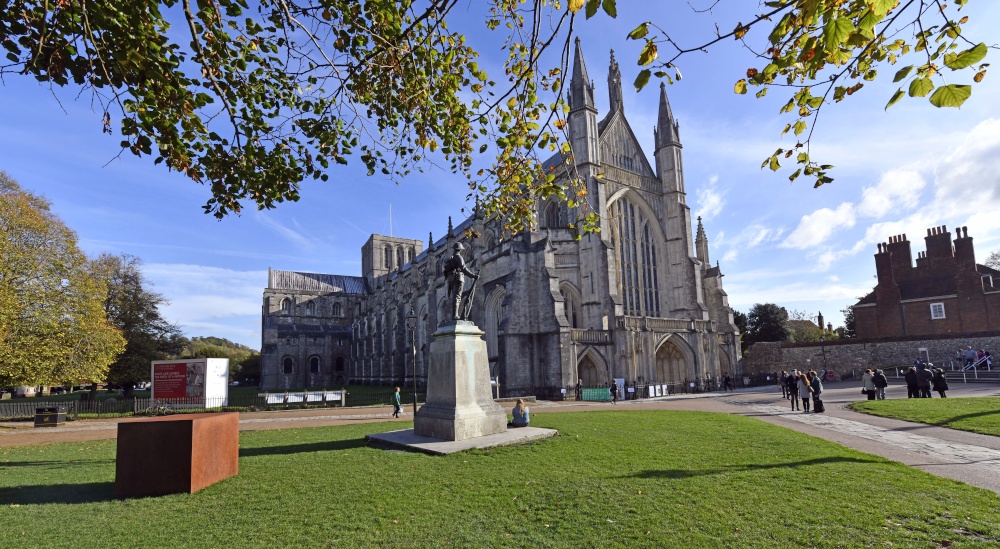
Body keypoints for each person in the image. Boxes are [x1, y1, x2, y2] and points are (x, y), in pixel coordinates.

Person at [444, 242, 479, 320]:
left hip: (451, 279)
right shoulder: (459, 257)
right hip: (458, 277)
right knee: (457, 297)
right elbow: (463, 268)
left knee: (455, 297)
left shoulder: (451, 258)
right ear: (460, 249)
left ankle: (455, 315)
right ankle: (455, 315)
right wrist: (473, 275)